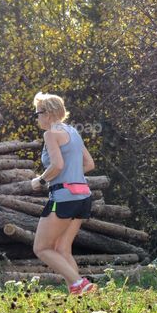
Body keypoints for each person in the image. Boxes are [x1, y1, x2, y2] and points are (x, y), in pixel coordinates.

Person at [29, 92, 98, 295]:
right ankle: (79, 296)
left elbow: (57, 165)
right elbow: (89, 164)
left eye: (37, 113)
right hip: (83, 197)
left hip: (64, 198)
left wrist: (40, 180)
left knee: (41, 248)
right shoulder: (73, 132)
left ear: (48, 114)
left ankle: (80, 283)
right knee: (62, 249)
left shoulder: (51, 133)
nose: (37, 117)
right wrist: (71, 174)